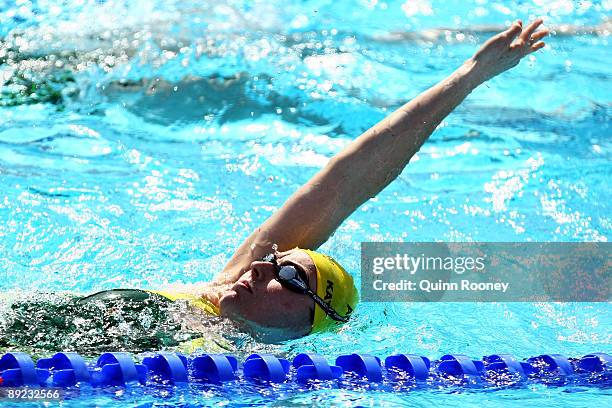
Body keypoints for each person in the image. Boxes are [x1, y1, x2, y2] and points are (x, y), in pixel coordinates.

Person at [1, 19, 549, 352]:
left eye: (289, 274)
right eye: (277, 258)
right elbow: (345, 181)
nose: (264, 265)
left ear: (315, 320)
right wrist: (466, 77)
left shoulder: (238, 375)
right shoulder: (217, 295)